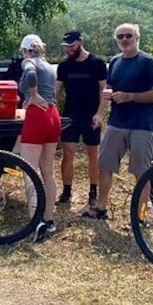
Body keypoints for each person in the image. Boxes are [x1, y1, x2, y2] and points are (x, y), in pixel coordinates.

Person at [83, 23, 153, 220]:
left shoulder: (148, 62)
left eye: (129, 35)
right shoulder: (115, 61)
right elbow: (109, 88)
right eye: (120, 37)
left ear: (137, 38)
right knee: (105, 165)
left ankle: (140, 217)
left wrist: (130, 96)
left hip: (142, 126)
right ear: (117, 40)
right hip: (116, 123)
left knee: (141, 172)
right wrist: (104, 105)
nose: (125, 39)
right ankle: (101, 208)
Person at [54, 30, 107, 208]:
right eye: (66, 46)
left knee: (93, 155)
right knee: (68, 154)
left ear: (80, 42)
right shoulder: (64, 66)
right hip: (70, 116)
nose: (68, 49)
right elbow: (56, 91)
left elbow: (104, 92)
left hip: (91, 116)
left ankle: (93, 191)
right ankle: (67, 191)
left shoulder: (97, 64)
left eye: (71, 45)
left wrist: (100, 114)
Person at [17, 34, 61, 242]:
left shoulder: (29, 62)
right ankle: (49, 220)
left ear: (26, 50)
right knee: (48, 171)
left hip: (37, 116)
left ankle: (35, 221)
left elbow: (30, 74)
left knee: (29, 170)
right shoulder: (49, 66)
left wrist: (32, 96)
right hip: (53, 114)